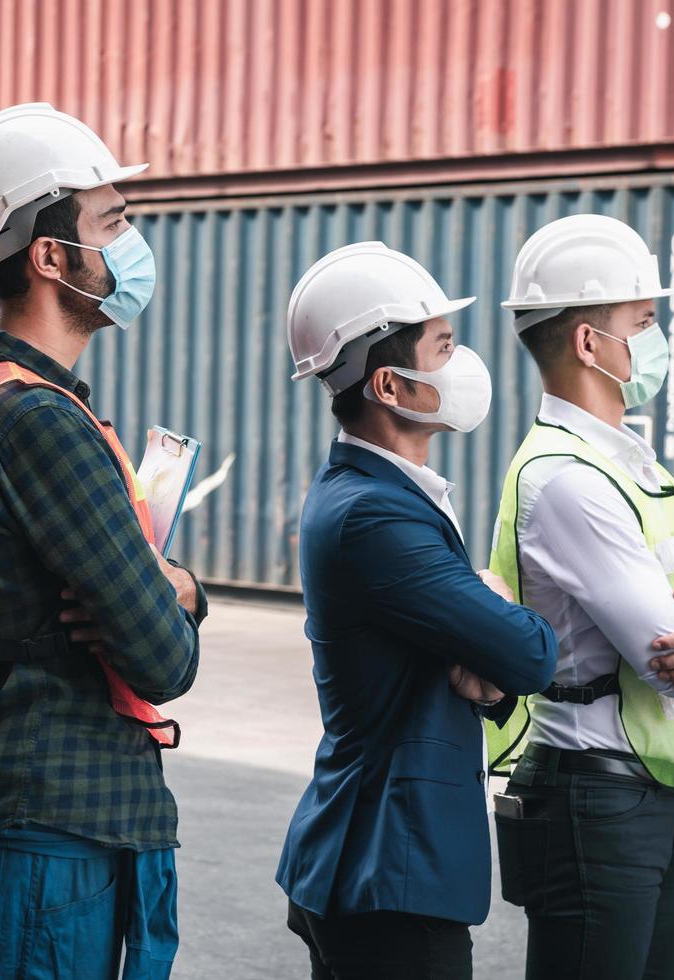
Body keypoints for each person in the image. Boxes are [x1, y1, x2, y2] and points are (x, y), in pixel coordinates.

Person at [0, 103, 206, 979]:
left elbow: (142, 601)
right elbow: (159, 658)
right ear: (50, 256)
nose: (133, 244)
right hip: (41, 845)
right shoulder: (36, 418)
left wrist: (168, 586)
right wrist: (174, 594)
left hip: (13, 829)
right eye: (113, 224)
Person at [486, 213, 674, 980]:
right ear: (590, 343)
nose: (659, 339)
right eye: (645, 322)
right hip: (592, 805)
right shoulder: (567, 481)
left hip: (643, 798)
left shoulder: (632, 465)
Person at [275, 242, 559, 979]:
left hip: (374, 862)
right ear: (391, 387)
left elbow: (483, 661)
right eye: (443, 346)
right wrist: (494, 612)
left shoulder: (382, 496)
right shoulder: (374, 515)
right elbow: (530, 652)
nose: (460, 361)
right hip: (386, 870)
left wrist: (486, 666)